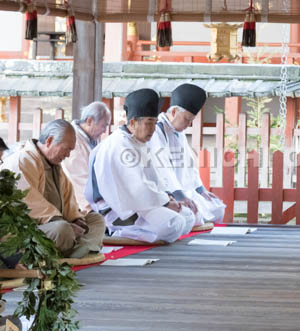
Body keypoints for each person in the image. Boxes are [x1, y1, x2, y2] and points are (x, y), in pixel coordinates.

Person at [87, 88, 195, 243]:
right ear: (132, 122)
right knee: (174, 223)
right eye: (148, 123)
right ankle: (120, 231)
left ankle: (145, 231)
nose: (153, 129)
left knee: (188, 217)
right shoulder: (119, 144)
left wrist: (167, 196)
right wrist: (165, 202)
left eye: (155, 124)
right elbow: (137, 187)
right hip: (120, 211)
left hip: (143, 202)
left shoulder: (140, 142)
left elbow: (154, 178)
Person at [0, 119, 105, 258]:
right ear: (49, 141)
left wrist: (76, 219)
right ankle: (80, 247)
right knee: (62, 229)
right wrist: (60, 222)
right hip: (31, 229)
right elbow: (28, 203)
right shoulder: (24, 160)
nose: (68, 155)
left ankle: (80, 247)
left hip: (60, 222)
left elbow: (69, 201)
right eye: (67, 148)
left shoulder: (55, 164)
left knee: (96, 220)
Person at [152, 83, 225, 224]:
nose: (189, 125)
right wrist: (180, 195)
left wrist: (201, 189)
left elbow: (189, 163)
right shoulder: (158, 131)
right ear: (174, 112)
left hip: (187, 190)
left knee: (217, 208)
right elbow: (164, 169)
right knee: (194, 217)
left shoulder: (179, 132)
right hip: (171, 195)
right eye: (187, 119)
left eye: (191, 121)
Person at [63, 101, 111, 211]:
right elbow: (80, 181)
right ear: (89, 121)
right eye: (103, 126)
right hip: (80, 205)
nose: (104, 131)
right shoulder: (74, 140)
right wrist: (92, 211)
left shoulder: (92, 138)